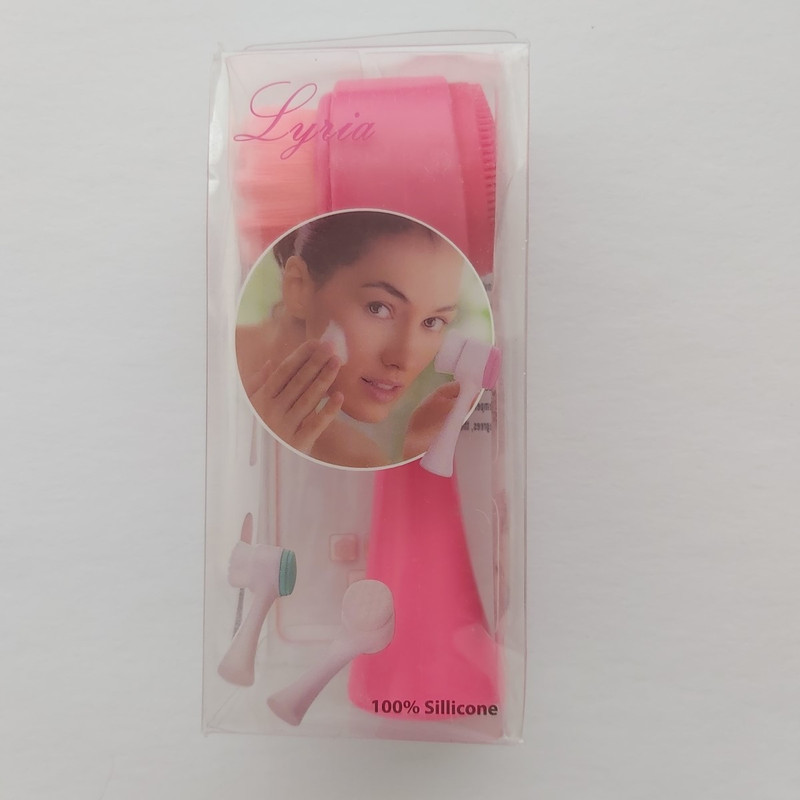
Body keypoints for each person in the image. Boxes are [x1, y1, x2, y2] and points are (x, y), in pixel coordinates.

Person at [236, 211, 466, 467]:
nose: (403, 359)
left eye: (433, 322)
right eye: (379, 308)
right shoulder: (208, 364)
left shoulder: (358, 459)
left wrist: (419, 455)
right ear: (299, 287)